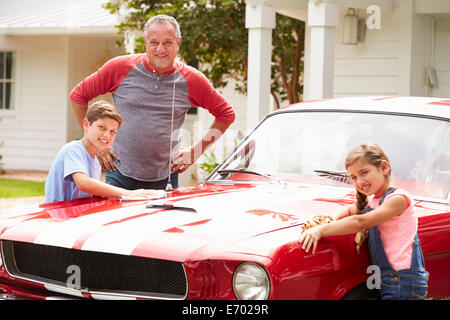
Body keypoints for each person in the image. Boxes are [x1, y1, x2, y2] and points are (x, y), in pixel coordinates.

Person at [69, 14, 235, 190]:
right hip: (119, 173)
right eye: (154, 42)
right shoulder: (119, 68)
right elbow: (78, 95)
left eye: (168, 42)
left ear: (178, 43)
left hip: (166, 178)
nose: (160, 49)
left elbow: (226, 114)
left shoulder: (192, 80)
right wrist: (95, 142)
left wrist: (196, 151)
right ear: (145, 43)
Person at [298, 142, 429, 300]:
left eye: (364, 172)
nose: (359, 181)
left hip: (405, 280)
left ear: (384, 167)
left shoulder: (398, 199)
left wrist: (321, 230)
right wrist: (330, 219)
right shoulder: (374, 201)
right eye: (353, 177)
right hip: (385, 278)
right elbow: (348, 210)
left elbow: (362, 222)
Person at [45, 100, 161, 203]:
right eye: (102, 127)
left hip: (75, 215)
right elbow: (83, 183)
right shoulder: (73, 149)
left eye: (112, 131)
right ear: (86, 124)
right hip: (56, 216)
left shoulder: (95, 162)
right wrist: (129, 193)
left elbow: (92, 192)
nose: (107, 135)